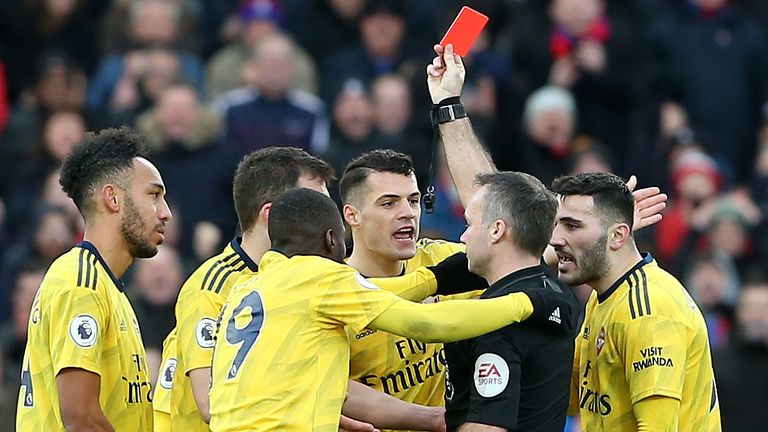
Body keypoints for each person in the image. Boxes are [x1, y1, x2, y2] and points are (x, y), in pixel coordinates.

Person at [155, 147, 478, 432]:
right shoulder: (213, 287)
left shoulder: (305, 278)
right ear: (273, 214)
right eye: (315, 204)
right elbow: (212, 403)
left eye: (413, 201)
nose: (331, 217)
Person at [208, 187, 572, 431]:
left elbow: (375, 290)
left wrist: (435, 279)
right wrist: (526, 303)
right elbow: (425, 323)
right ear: (334, 239)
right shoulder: (320, 277)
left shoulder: (248, 287)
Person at [16, 127, 172, 430]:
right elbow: (81, 419)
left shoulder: (109, 288)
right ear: (113, 198)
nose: (165, 213)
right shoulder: (81, 282)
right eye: (154, 195)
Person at [550, 172, 721, 431]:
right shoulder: (602, 295)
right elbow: (569, 398)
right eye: (557, 225)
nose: (555, 240)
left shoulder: (650, 311)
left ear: (618, 236)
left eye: (572, 226)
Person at [443, 172, 581, 431]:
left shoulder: (499, 319)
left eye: (470, 225)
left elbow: (488, 426)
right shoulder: (556, 293)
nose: (463, 238)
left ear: (497, 230)